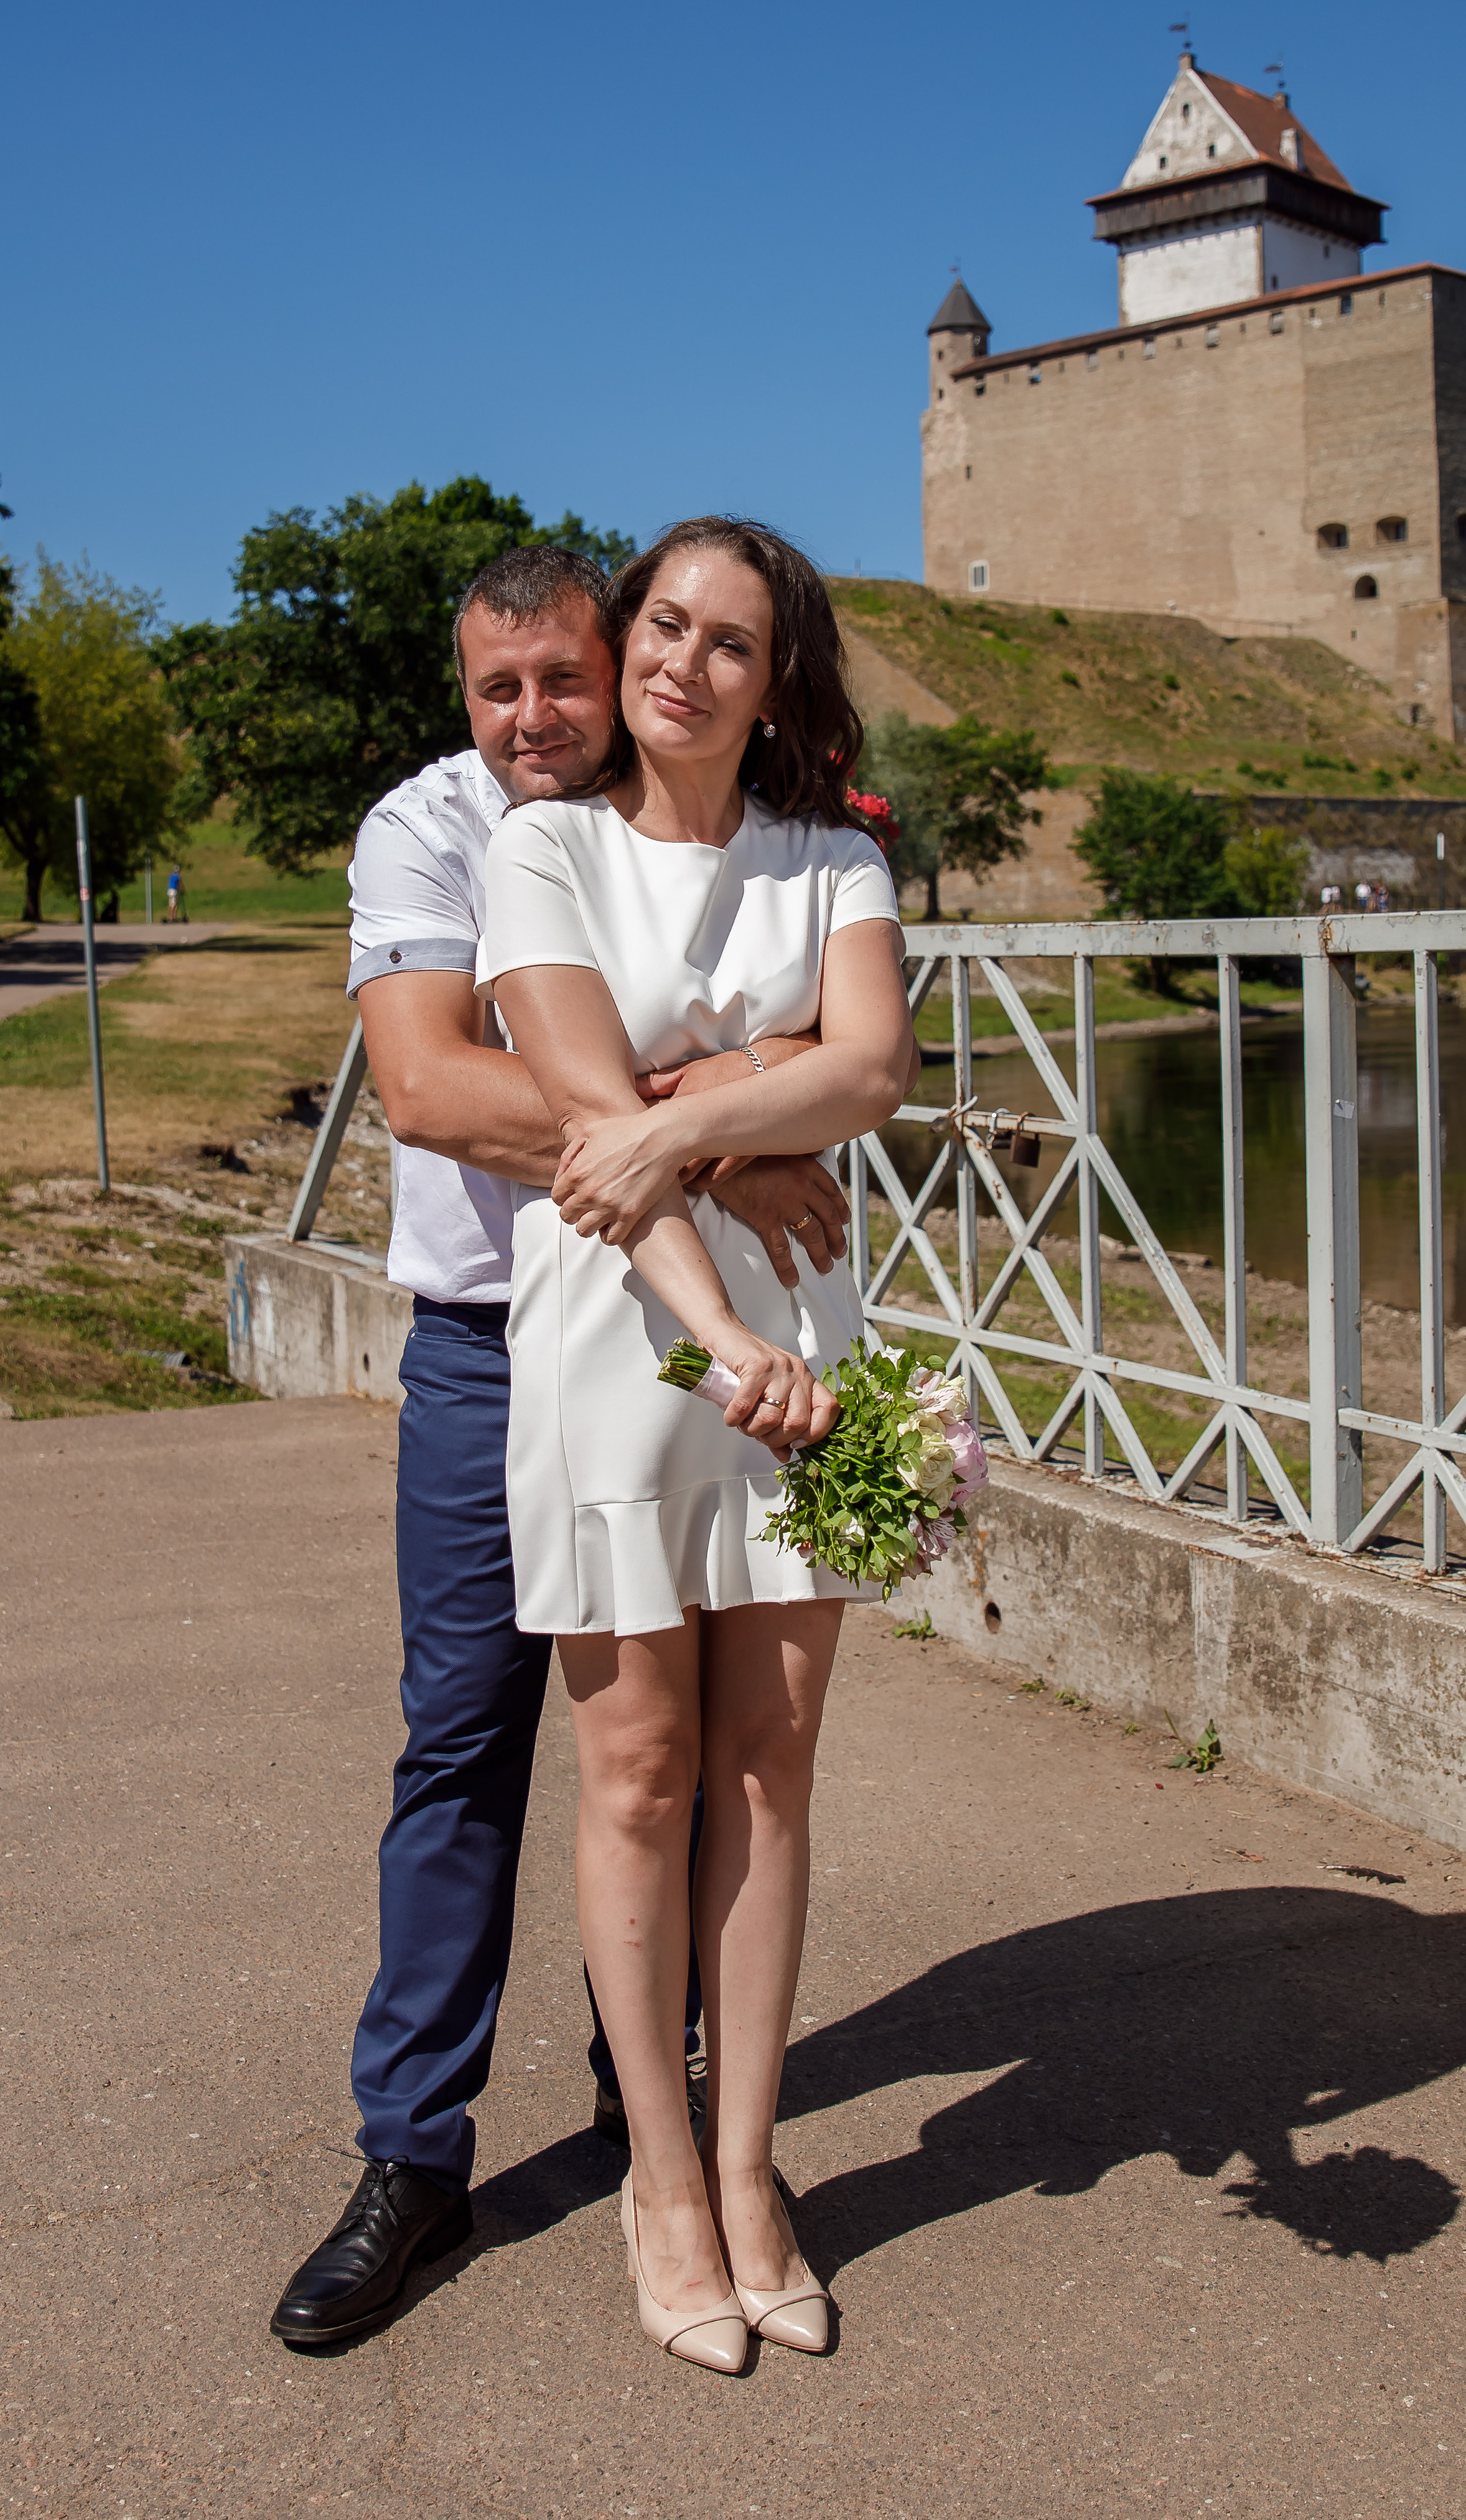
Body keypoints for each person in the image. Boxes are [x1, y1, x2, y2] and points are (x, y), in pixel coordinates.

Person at [269, 544, 854, 2348]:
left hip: (662, 1336)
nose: (533, 717)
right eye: (495, 687)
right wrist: (730, 1132)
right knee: (468, 1746)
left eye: (562, 682)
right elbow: (437, 1086)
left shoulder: (687, 819)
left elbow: (835, 1037)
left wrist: (682, 1116)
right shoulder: (435, 829)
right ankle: (415, 2155)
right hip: (481, 1340)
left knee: (682, 1755)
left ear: (619, 675)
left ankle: (653, 2126)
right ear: (464, 695)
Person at [477, 517, 915, 2374]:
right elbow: (584, 1118)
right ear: (628, 637)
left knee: (772, 1764)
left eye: (731, 643)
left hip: (814, 1340)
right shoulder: (543, 843)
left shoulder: (834, 857)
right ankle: (659, 2178)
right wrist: (730, 1125)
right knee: (641, 1767)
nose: (683, 665)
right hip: (623, 1343)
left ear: (775, 678)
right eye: (664, 625)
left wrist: (695, 1106)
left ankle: (751, 2170)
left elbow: (875, 1070)